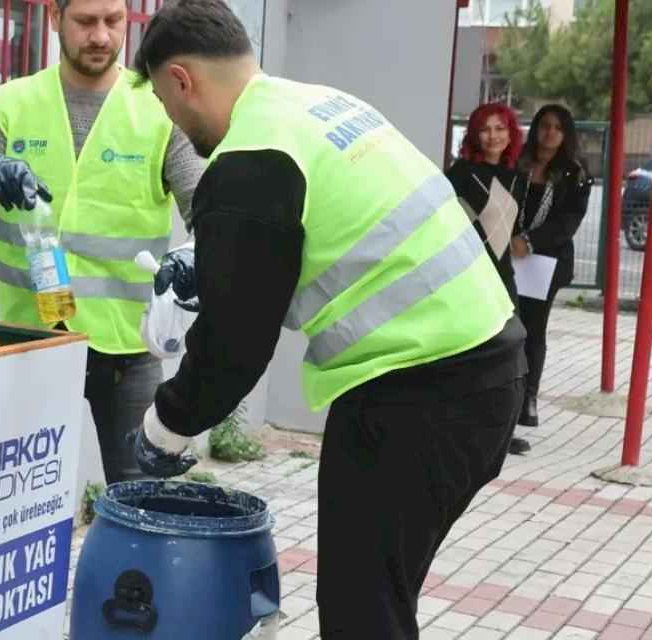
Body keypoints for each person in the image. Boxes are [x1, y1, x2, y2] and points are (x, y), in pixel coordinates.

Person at [127, 2, 527, 637]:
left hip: (417, 396)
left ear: (180, 80)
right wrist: (212, 264)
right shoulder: (313, 105)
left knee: (360, 612)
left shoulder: (248, 159)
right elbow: (315, 238)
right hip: (485, 369)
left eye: (164, 104)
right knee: (380, 597)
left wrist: (166, 428)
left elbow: (233, 348)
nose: (173, 122)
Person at [0, 0, 204, 485]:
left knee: (141, 500)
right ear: (55, 18)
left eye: (113, 21)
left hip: (127, 348)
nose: (101, 36)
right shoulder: (14, 102)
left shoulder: (158, 106)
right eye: (86, 21)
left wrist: (191, 258)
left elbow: (207, 211)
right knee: (15, 499)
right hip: (30, 342)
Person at [446, 102, 533, 455]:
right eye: (486, 128)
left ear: (511, 134)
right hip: (468, 274)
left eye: (501, 128)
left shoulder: (519, 178)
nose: (493, 136)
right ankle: (459, 423)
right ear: (474, 135)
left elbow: (517, 229)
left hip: (503, 275)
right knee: (467, 349)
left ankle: (499, 429)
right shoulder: (461, 174)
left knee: (506, 351)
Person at [510, 104, 592, 427]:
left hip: (545, 261)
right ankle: (504, 392)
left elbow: (568, 220)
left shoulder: (575, 172)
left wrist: (529, 242)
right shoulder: (517, 162)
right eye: (545, 125)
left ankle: (528, 397)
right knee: (505, 325)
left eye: (558, 128)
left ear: (566, 133)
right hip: (508, 255)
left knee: (533, 327)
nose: (550, 133)